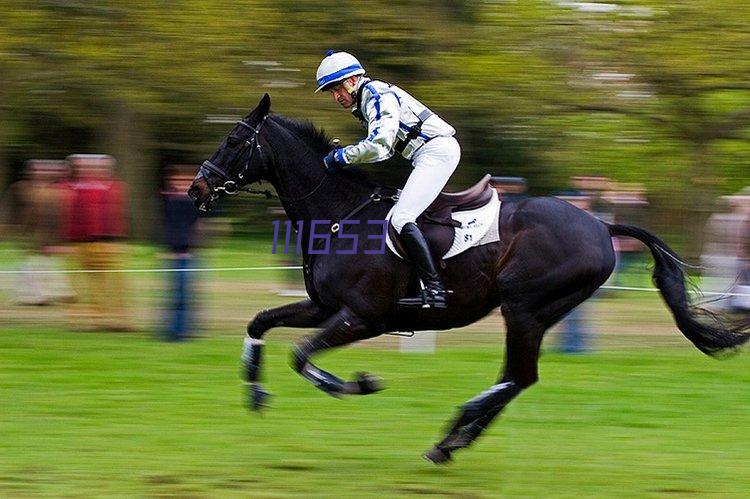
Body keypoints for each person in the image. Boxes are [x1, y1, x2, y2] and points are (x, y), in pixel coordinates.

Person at [316, 50, 460, 308]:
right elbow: (384, 151)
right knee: (396, 214)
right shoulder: (366, 102)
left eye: (337, 88)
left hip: (436, 152)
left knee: (401, 218)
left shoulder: (376, 95)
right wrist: (345, 159)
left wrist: (341, 157)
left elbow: (380, 145)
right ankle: (415, 284)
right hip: (427, 154)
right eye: (331, 92)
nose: (336, 97)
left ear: (353, 80)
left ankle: (436, 290)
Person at [62, 154, 133, 331]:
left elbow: (118, 216)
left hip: (110, 242)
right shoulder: (75, 190)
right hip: (82, 243)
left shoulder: (116, 188)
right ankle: (88, 321)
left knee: (115, 284)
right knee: (85, 285)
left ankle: (116, 320)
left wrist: (119, 240)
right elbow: (71, 218)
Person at [161, 166, 201, 341]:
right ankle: (173, 331)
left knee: (185, 296)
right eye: (178, 181)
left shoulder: (193, 202)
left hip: (187, 255)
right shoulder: (167, 202)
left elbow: (195, 227)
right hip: (172, 255)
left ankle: (183, 331)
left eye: (186, 181)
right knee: (174, 296)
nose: (181, 184)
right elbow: (166, 228)